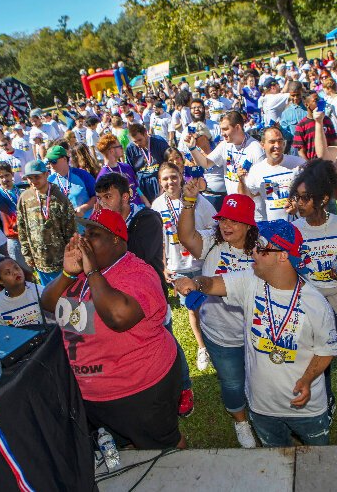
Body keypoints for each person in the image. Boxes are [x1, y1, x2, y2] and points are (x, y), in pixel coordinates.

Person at [174, 219, 337, 448]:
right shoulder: (250, 281)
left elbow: (325, 351)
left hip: (307, 410)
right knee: (274, 461)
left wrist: (306, 379)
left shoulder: (316, 304)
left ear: (283, 256)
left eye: (261, 249)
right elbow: (211, 283)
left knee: (316, 465)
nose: (253, 252)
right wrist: (194, 283)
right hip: (262, 408)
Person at [40, 211, 184, 450]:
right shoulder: (79, 274)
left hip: (139, 389)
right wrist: (67, 273)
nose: (84, 241)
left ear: (117, 240)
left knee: (161, 448)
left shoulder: (137, 272)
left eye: (93, 235)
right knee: (119, 446)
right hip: (90, 391)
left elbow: (118, 317)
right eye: (84, 234)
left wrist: (93, 272)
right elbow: (49, 304)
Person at [94, 173, 195, 417]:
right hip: (117, 298)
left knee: (167, 343)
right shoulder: (100, 221)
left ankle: (184, 387)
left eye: (109, 196)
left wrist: (105, 238)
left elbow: (137, 253)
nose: (103, 203)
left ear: (126, 196)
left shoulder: (147, 218)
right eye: (99, 198)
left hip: (149, 298)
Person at [175, 192, 258, 447]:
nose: (226, 226)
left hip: (258, 333)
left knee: (259, 380)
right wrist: (188, 202)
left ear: (248, 225)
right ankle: (241, 422)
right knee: (232, 383)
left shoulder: (261, 248)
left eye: (234, 221)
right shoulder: (212, 242)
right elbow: (186, 236)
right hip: (221, 334)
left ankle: (261, 413)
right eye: (223, 220)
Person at [290, 160, 337, 414]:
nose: (298, 203)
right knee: (319, 354)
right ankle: (327, 400)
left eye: (304, 198)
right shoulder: (294, 230)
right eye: (296, 197)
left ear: (322, 199)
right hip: (310, 303)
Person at [151, 164, 217, 371]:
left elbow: (214, 228)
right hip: (178, 267)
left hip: (201, 263)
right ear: (160, 182)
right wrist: (163, 267)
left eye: (173, 177)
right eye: (165, 179)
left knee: (212, 305)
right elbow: (158, 240)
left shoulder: (198, 200)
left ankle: (216, 342)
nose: (170, 182)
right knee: (193, 307)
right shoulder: (157, 205)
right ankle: (202, 347)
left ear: (181, 177)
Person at [17, 160, 76, 285]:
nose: (33, 181)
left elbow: (71, 229)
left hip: (61, 261)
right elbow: (22, 227)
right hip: (39, 261)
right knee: (47, 296)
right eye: (29, 178)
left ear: (46, 174)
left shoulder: (59, 197)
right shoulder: (25, 198)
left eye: (37, 177)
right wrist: (27, 254)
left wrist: (71, 255)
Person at [187, 111, 266, 195]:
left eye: (225, 129)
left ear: (237, 128)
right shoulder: (225, 144)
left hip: (252, 205)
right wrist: (192, 148)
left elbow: (262, 185)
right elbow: (206, 163)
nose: (222, 133)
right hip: (233, 202)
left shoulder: (256, 149)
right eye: (221, 129)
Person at [239, 126, 304, 221]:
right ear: (262, 144)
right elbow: (246, 199)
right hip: (273, 230)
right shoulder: (256, 170)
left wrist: (298, 205)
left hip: (299, 227)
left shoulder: (299, 164)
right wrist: (241, 181)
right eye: (272, 142)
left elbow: (313, 194)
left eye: (280, 141)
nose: (277, 146)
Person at [0, 255, 52, 327]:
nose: (15, 272)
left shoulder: (40, 291)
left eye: (16, 268)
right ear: (0, 281)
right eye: (8, 272)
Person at [45, 145, 97, 219]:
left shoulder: (82, 175)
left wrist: (84, 208)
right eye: (49, 162)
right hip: (66, 227)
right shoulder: (50, 180)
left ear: (64, 159)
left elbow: (96, 196)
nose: (51, 165)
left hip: (86, 225)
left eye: (54, 161)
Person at [96, 133, 146, 206]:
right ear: (112, 151)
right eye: (119, 146)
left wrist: (146, 202)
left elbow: (137, 188)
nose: (122, 148)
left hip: (139, 208)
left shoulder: (126, 167)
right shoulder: (103, 177)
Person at [125, 123, 169, 201]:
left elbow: (169, 162)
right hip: (143, 185)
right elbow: (131, 172)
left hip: (159, 182)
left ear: (145, 134)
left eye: (140, 140)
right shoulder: (130, 148)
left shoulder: (159, 142)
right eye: (135, 141)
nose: (138, 144)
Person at [292, 91, 337, 160]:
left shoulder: (326, 120)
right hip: (312, 164)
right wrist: (309, 166)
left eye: (319, 99)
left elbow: (333, 143)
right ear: (307, 105)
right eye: (316, 100)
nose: (319, 102)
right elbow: (301, 152)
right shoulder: (301, 126)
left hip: (327, 162)